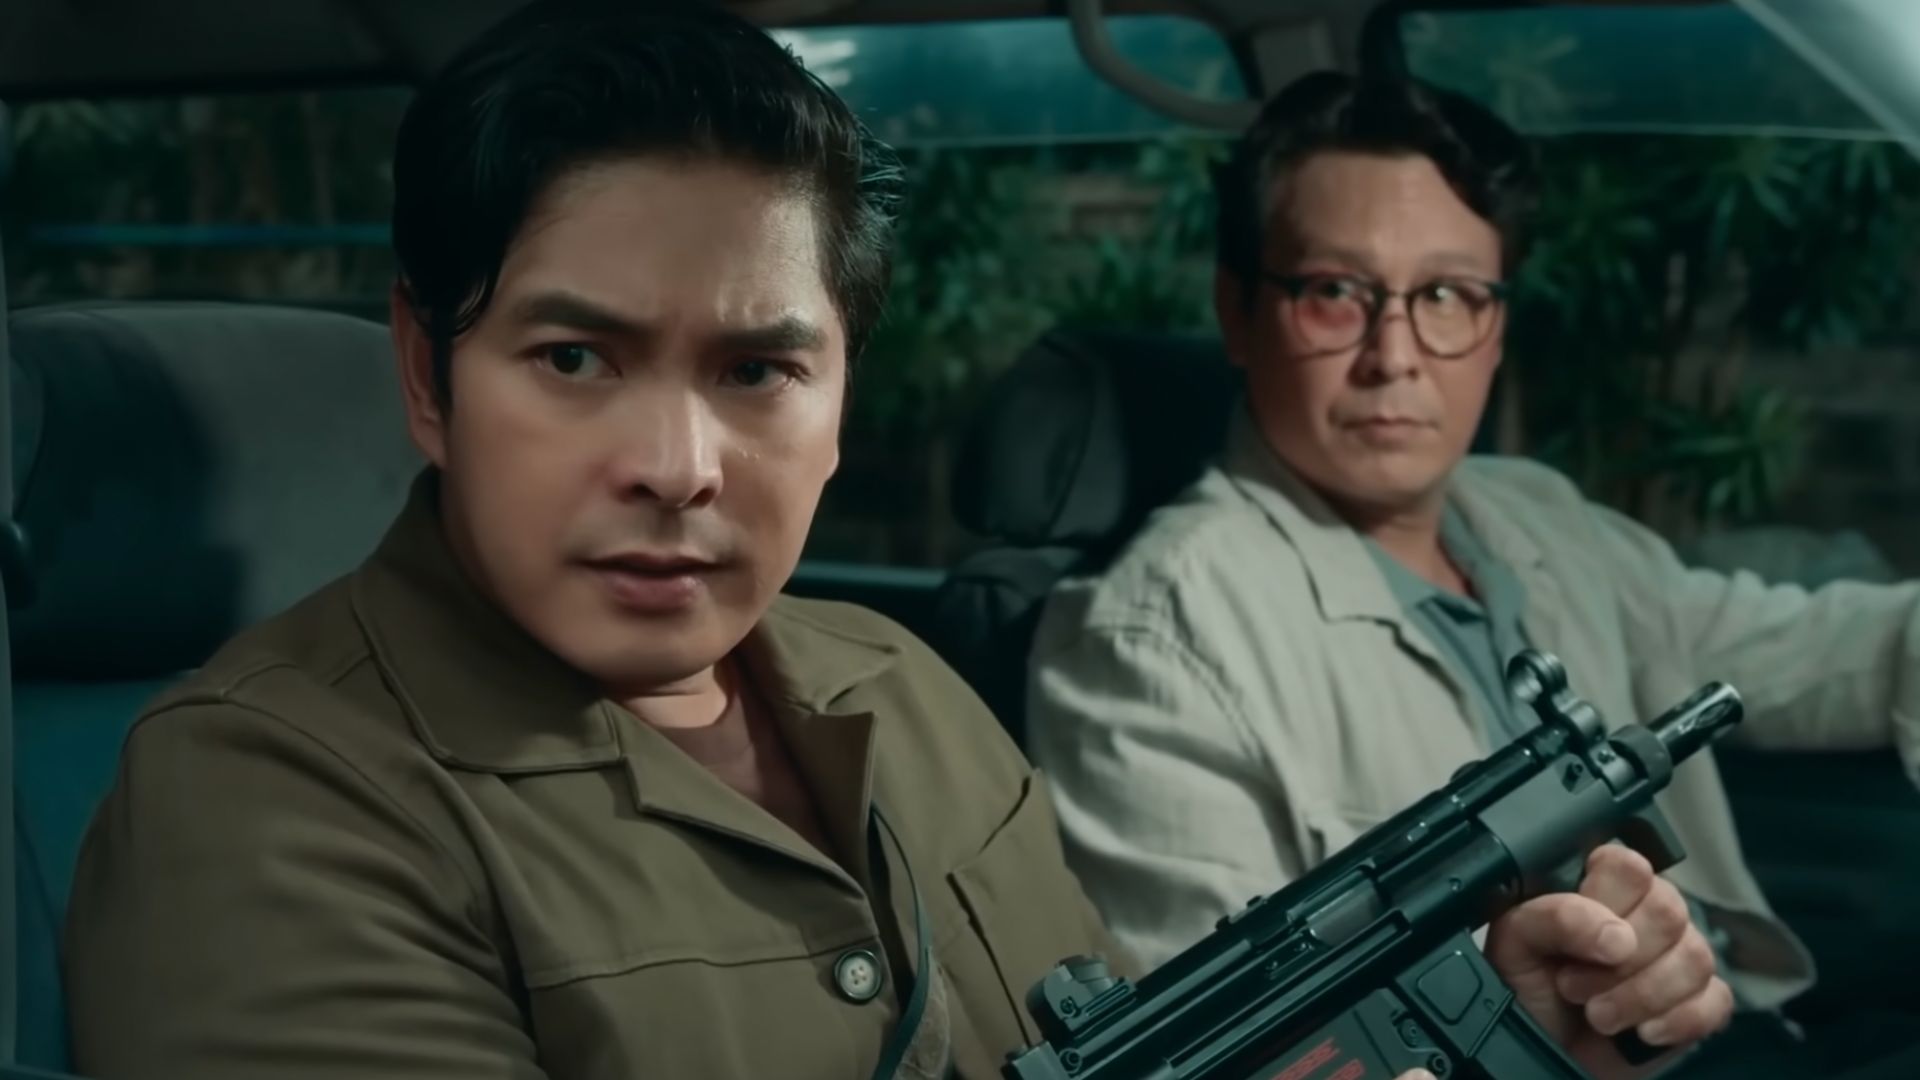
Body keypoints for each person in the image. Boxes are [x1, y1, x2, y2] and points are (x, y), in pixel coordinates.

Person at [63, 10, 1728, 1078]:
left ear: (844, 395)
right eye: (574, 360)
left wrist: (1499, 1023)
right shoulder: (264, 798)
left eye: (757, 371)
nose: (678, 468)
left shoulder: (903, 691)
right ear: (431, 374)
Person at [1025, 70, 1920, 1078]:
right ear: (1239, 309)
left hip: (1756, 1035)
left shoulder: (1534, 513)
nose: (1394, 355)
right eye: (1334, 294)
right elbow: (1233, 1054)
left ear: (1495, 327)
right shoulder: (1151, 638)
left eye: (1447, 295)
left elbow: (1812, 650)